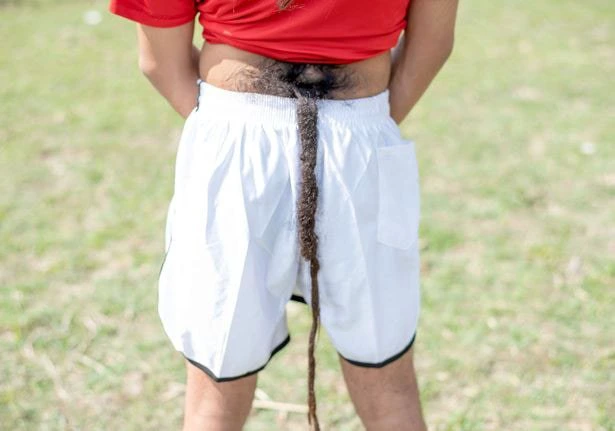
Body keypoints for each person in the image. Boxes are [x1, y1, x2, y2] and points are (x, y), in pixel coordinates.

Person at [109, 0, 458, 429]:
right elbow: (433, 44)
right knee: (389, 384)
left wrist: (230, 131)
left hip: (236, 142)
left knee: (215, 390)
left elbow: (159, 60)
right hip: (357, 138)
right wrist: (360, 132)